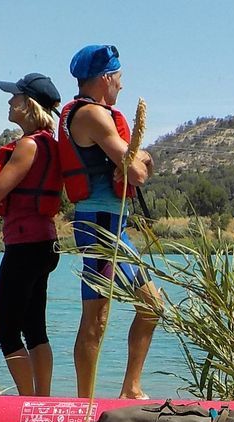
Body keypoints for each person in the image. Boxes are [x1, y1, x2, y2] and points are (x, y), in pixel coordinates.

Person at [58, 44, 160, 399]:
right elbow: (136, 171)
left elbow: (131, 169)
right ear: (105, 78)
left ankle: (129, 389)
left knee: (151, 305)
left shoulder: (99, 114)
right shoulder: (92, 115)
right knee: (96, 318)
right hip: (99, 225)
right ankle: (83, 402)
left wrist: (137, 162)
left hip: (112, 224)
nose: (121, 85)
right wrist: (142, 158)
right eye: (118, 78)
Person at [0, 73, 63, 397]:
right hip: (46, 244)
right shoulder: (53, 145)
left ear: (28, 104)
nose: (9, 102)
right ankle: (42, 400)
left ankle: (25, 402)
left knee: (5, 328)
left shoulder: (28, 145)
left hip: (24, 246)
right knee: (34, 327)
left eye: (15, 97)